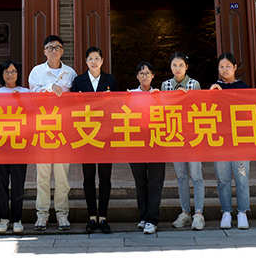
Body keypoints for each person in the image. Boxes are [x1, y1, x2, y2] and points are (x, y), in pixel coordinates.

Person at [28, 34, 77, 230]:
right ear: (44, 51)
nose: (53, 51)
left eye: (57, 47)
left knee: (62, 176)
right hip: (43, 129)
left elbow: (77, 99)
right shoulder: (37, 72)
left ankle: (62, 214)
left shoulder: (70, 73)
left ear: (62, 51)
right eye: (50, 47)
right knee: (43, 176)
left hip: (63, 130)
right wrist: (50, 87)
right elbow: (31, 95)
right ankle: (42, 215)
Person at [70, 47, 118, 234]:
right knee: (88, 177)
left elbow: (118, 105)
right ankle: (92, 217)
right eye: (90, 58)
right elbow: (72, 107)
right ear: (86, 61)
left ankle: (103, 217)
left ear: (102, 61)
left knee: (105, 177)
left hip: (106, 135)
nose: (94, 62)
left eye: (97, 58)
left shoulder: (110, 80)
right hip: (86, 135)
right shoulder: (78, 81)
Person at [161, 51, 205, 231]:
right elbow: (163, 110)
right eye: (174, 65)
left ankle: (199, 213)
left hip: (193, 137)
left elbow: (200, 109)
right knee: (181, 176)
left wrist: (187, 98)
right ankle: (185, 212)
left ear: (186, 67)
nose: (177, 68)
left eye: (181, 65)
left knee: (196, 175)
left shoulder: (194, 84)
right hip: (175, 136)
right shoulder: (165, 85)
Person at [208, 53, 250, 230]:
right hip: (220, 139)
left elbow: (250, 112)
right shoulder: (214, 88)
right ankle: (226, 212)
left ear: (235, 67)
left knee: (242, 177)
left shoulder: (244, 88)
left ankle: (242, 212)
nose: (224, 70)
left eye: (227, 66)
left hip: (240, 139)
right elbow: (206, 112)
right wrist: (210, 94)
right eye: (221, 67)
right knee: (223, 178)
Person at [0, 60, 29, 234]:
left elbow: (32, 114)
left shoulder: (25, 92)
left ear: (18, 73)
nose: (10, 75)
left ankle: (17, 218)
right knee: (1, 182)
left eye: (13, 71)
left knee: (18, 182)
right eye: (6, 71)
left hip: (19, 144)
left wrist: (20, 100)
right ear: (2, 74)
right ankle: (3, 218)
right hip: (0, 143)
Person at [128, 61, 164, 235]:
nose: (145, 76)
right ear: (137, 76)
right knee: (140, 181)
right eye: (141, 73)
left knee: (155, 182)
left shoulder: (160, 94)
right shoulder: (130, 95)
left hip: (157, 143)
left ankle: (152, 219)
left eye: (148, 73)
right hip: (136, 143)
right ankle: (144, 216)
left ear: (153, 76)